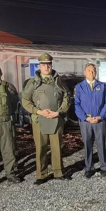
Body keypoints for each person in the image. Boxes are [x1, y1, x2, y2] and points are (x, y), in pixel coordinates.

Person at [22, 53, 71, 185]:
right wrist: (38, 111)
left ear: (51, 65)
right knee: (41, 147)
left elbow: (67, 98)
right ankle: (41, 174)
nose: (46, 67)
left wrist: (59, 112)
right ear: (39, 66)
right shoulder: (33, 83)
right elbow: (25, 100)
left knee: (57, 147)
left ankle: (58, 172)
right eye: (43, 65)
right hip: (39, 120)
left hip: (56, 118)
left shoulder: (58, 81)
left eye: (48, 64)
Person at [74, 63, 106, 178]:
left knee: (101, 144)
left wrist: (101, 116)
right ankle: (89, 168)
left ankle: (104, 167)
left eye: (93, 70)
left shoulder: (102, 86)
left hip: (99, 120)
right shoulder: (79, 87)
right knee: (87, 144)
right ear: (84, 72)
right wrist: (85, 117)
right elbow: (76, 104)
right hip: (86, 121)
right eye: (89, 70)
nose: (91, 72)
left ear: (96, 72)